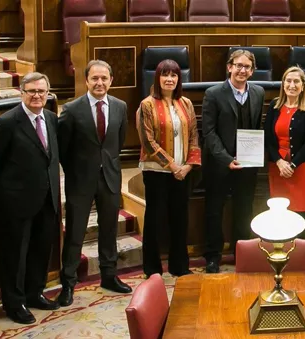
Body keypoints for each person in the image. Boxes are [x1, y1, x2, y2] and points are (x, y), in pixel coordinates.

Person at [0, 72, 60, 324]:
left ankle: (34, 293)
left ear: (48, 93)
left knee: (40, 250)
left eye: (42, 91)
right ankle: (14, 304)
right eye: (32, 91)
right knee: (14, 255)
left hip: (47, 199)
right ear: (21, 93)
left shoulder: (50, 118)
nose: (37, 96)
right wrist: (7, 193)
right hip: (15, 204)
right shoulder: (7, 123)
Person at [57, 60, 131, 307]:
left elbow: (117, 143)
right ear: (86, 81)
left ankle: (109, 275)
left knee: (109, 229)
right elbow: (63, 149)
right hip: (80, 180)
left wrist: (105, 164)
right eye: (94, 79)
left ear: (111, 80)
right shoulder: (71, 109)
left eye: (104, 78)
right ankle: (68, 283)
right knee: (75, 233)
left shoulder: (120, 107)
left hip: (109, 177)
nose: (99, 83)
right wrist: (77, 172)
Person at [136, 59, 201, 278]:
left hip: (183, 171)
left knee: (180, 218)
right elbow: (147, 141)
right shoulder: (146, 104)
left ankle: (179, 266)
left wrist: (188, 165)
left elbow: (194, 135)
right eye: (165, 75)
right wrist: (173, 165)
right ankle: (152, 269)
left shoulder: (186, 103)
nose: (170, 79)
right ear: (157, 77)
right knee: (155, 220)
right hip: (156, 171)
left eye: (174, 75)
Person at [202, 49, 265, 273]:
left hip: (247, 165)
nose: (242, 70)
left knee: (244, 209)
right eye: (238, 65)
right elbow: (208, 133)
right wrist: (227, 159)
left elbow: (257, 127)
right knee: (214, 211)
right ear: (229, 67)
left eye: (247, 67)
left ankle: (242, 253)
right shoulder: (213, 93)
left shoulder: (258, 92)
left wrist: (256, 156)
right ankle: (212, 256)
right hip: (219, 165)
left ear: (252, 70)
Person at [264, 66, 305, 212]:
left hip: (300, 168)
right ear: (283, 83)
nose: (292, 85)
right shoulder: (274, 106)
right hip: (277, 167)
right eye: (288, 81)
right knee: (279, 210)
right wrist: (279, 162)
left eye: (296, 81)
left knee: (299, 209)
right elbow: (268, 138)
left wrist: (292, 165)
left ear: (302, 86)